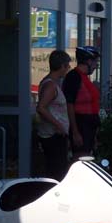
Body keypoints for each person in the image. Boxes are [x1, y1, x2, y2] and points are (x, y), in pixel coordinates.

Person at [36, 50, 72, 181]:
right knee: (56, 171)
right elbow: (41, 107)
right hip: (53, 136)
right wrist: (59, 125)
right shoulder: (50, 85)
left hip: (55, 135)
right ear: (62, 66)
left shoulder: (51, 83)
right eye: (67, 66)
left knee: (56, 170)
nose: (68, 69)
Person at [63, 46, 101, 157]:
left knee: (87, 156)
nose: (96, 66)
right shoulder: (73, 77)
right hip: (81, 124)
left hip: (89, 125)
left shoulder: (84, 77)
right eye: (95, 62)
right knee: (80, 157)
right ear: (88, 61)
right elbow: (69, 104)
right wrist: (75, 132)